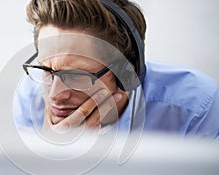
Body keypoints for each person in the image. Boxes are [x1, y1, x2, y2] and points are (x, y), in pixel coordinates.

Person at [14, 0, 219, 139]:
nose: (55, 95)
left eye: (76, 75)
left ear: (126, 75)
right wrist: (49, 152)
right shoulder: (30, 96)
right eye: (46, 69)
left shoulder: (196, 108)